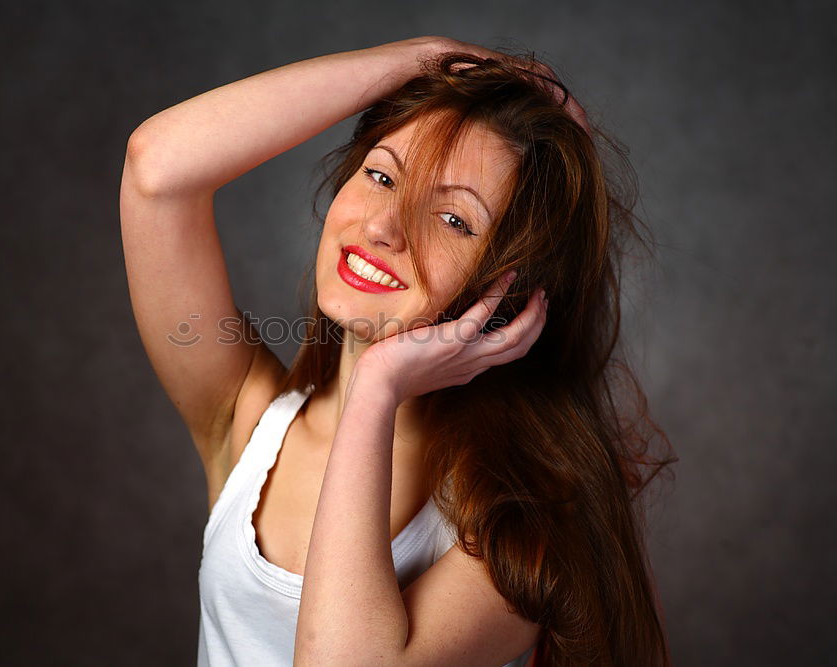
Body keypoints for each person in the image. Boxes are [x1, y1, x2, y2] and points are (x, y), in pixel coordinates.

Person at [120, 35, 675, 666]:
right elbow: (156, 166)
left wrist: (378, 388)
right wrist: (426, 58)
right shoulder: (247, 419)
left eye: (452, 220)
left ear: (513, 290)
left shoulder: (522, 523)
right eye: (382, 175)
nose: (384, 227)